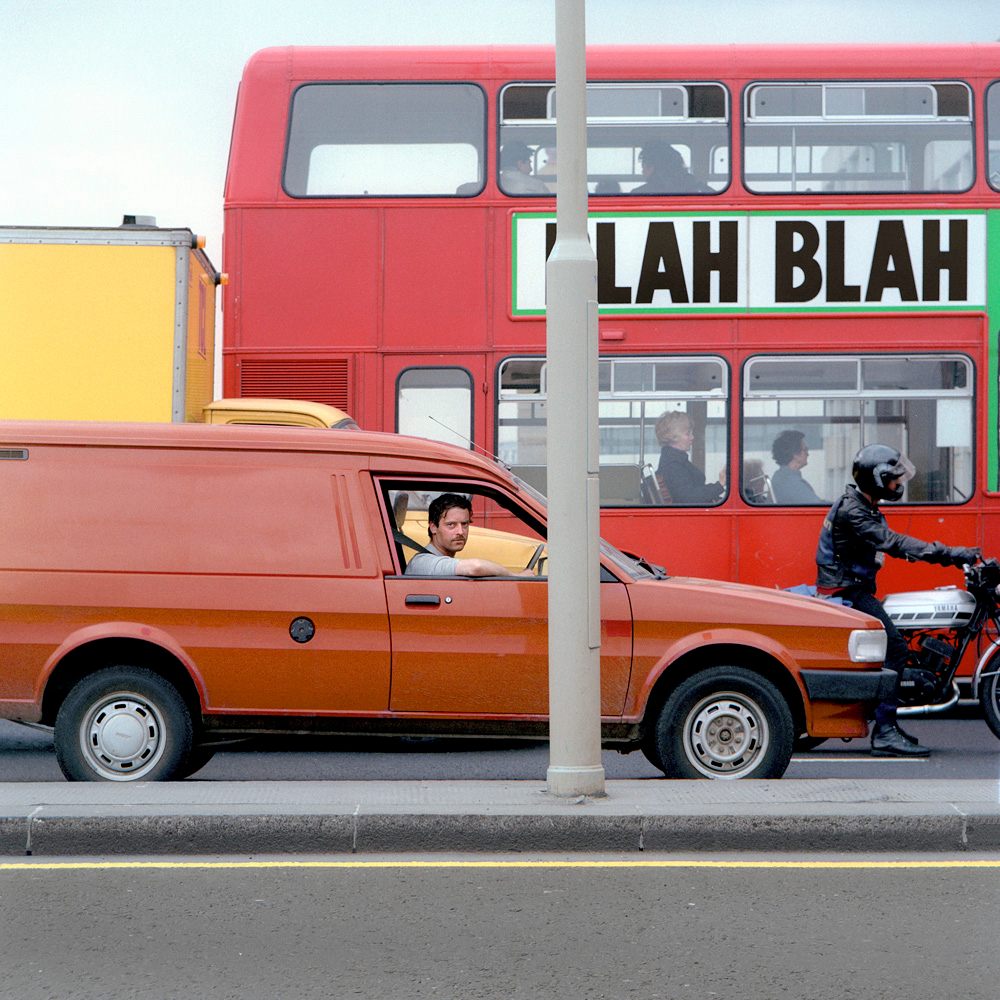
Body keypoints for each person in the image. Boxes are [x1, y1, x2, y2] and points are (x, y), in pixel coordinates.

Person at [815, 444, 980, 758]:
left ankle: (889, 722)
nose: (897, 485)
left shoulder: (863, 505)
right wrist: (950, 554)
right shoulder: (855, 511)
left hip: (853, 587)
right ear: (877, 479)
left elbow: (894, 546)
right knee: (896, 648)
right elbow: (892, 542)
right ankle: (885, 732)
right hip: (847, 591)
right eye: (893, 479)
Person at [405, 493, 535, 577]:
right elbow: (475, 567)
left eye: (465, 524)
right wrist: (515, 576)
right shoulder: (422, 563)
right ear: (433, 527)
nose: (460, 532)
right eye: (451, 525)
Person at [655, 411, 725, 504]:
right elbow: (689, 498)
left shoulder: (676, 460)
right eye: (688, 434)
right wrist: (719, 485)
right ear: (673, 437)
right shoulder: (672, 465)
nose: (692, 437)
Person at [631, 139, 710, 194]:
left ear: (651, 168)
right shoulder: (700, 189)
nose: (642, 172)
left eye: (643, 167)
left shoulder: (639, 194)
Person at [771, 429, 824, 504]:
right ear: (795, 454)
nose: (808, 454)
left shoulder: (781, 476)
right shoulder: (790, 482)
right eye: (805, 450)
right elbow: (817, 505)